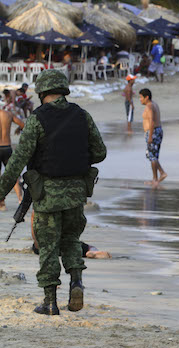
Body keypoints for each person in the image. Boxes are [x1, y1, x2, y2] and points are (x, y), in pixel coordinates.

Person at [0, 70, 107, 315]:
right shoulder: (82, 115)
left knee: (48, 246)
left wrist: (1, 192)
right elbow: (99, 152)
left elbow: (18, 161)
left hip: (47, 194)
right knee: (71, 240)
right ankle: (77, 282)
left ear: (42, 92)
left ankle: (50, 302)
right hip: (77, 193)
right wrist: (74, 157)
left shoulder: (38, 119)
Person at [139, 89, 167, 187]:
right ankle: (161, 173)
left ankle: (155, 179)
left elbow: (151, 121)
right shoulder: (154, 104)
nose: (140, 99)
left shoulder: (150, 106)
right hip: (157, 131)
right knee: (152, 156)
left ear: (146, 97)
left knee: (152, 157)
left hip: (153, 132)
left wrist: (150, 136)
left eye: (141, 97)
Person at [0, 108, 24, 210]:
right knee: (12, 175)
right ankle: (20, 199)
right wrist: (19, 128)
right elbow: (23, 125)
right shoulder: (8, 114)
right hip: (7, 147)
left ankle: (2, 203)